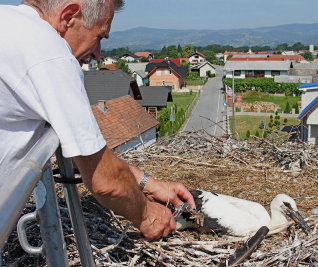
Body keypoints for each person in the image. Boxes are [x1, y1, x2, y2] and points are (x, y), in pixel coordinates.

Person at [0, 0, 195, 241]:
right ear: (69, 17)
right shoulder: (49, 55)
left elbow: (83, 156)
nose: (97, 53)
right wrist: (147, 214)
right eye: (100, 37)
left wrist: (147, 183)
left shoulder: (8, 24)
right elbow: (104, 180)